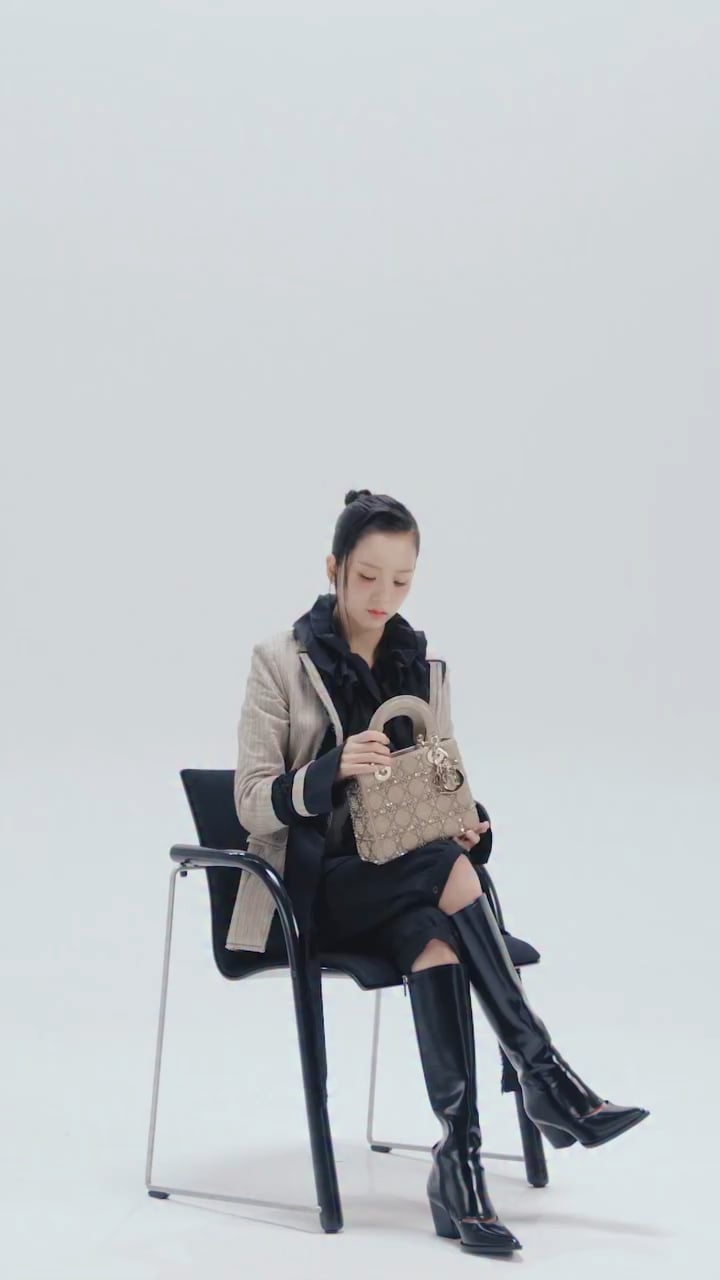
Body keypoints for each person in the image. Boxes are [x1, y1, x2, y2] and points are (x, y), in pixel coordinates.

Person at [231, 488, 650, 1256]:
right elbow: (251, 801)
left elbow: (440, 784)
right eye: (367, 577)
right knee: (445, 874)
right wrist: (329, 770)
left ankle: (458, 1164)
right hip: (314, 890)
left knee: (436, 932)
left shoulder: (420, 667)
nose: (382, 596)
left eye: (401, 580)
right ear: (333, 568)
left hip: (406, 880)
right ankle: (544, 1074)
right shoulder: (279, 662)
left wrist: (466, 821)